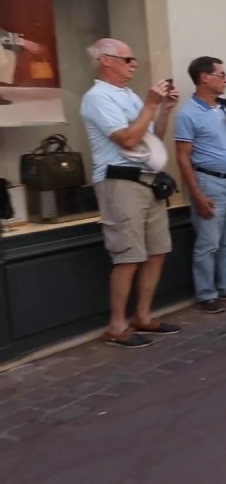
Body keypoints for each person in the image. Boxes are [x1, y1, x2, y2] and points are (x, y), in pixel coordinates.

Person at [80, 38, 182, 348]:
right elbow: (126, 140)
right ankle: (116, 325)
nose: (134, 64)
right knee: (127, 256)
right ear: (106, 61)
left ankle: (142, 316)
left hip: (147, 180)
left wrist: (164, 110)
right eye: (128, 59)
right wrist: (151, 104)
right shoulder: (97, 97)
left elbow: (151, 141)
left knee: (157, 251)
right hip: (119, 181)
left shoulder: (130, 95)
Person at [174, 56, 226, 314]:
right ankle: (206, 294)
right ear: (204, 78)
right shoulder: (188, 114)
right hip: (209, 183)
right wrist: (196, 193)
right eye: (221, 75)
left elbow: (220, 141)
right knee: (208, 242)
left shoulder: (221, 108)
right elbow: (182, 157)